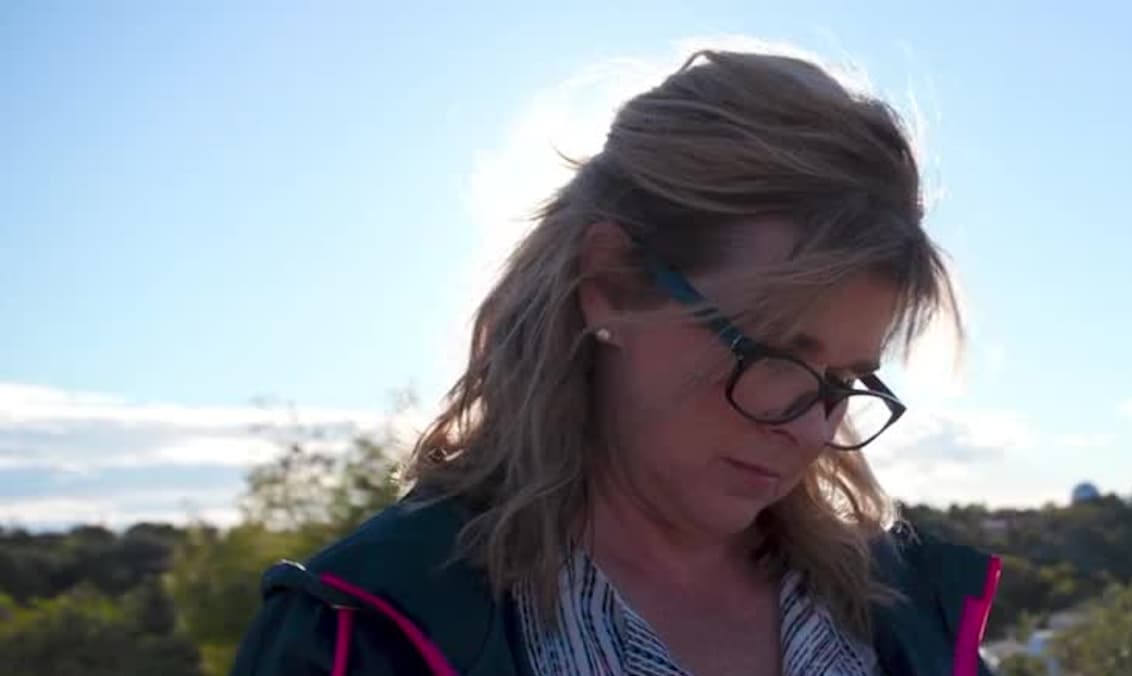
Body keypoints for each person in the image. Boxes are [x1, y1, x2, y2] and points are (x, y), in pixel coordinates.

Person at [229, 49, 1001, 676]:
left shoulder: (907, 615)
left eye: (844, 381)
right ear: (612, 284)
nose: (809, 431)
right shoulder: (358, 632)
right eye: (773, 354)